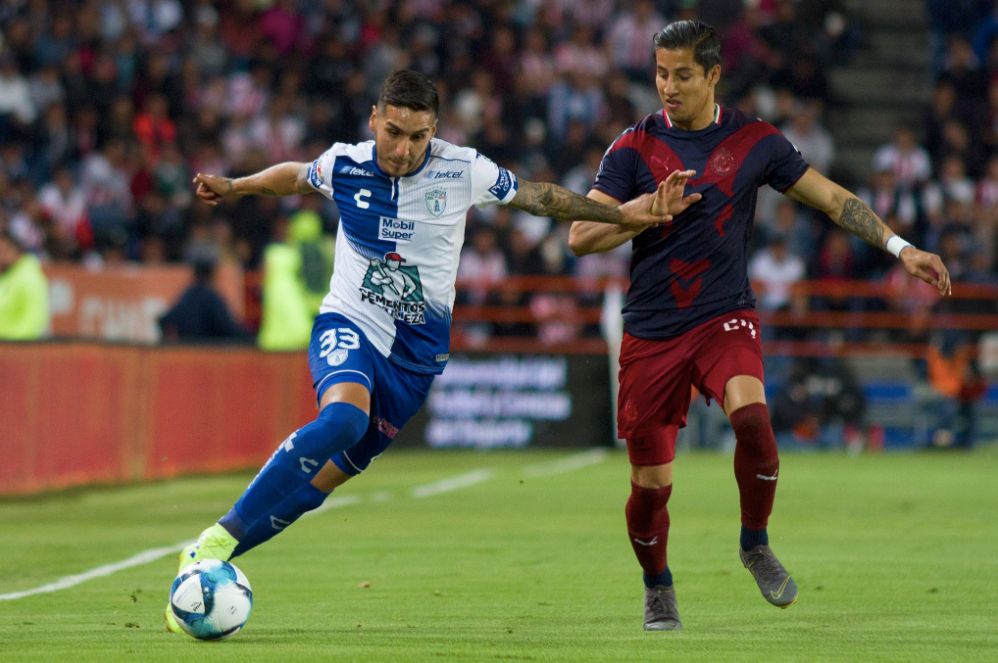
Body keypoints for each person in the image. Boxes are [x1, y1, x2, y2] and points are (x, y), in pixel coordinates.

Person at [164, 69, 675, 633]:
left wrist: (625, 214)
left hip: (415, 359)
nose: (404, 148)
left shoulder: (463, 169)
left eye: (418, 136)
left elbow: (542, 197)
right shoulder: (345, 163)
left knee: (320, 485)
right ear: (374, 121)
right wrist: (236, 186)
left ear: (435, 130)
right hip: (351, 321)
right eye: (394, 132)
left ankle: (212, 565)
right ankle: (211, 543)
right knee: (340, 421)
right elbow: (295, 178)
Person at [567, 20, 952, 631]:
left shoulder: (755, 141)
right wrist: (645, 212)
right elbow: (581, 236)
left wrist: (900, 247)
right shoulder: (632, 148)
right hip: (652, 330)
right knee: (650, 487)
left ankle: (754, 542)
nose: (669, 86)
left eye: (683, 74)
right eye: (661, 73)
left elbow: (830, 199)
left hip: (724, 315)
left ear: (714, 74)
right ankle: (658, 585)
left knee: (755, 421)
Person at [158, 256, 251, 343]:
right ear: (212, 274)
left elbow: (165, 320)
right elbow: (228, 328)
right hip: (209, 351)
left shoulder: (187, 295)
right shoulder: (211, 297)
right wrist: (250, 336)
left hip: (187, 351)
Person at [0, 230, 49, 340]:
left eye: (2, 251)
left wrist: (9, 344)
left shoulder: (29, 278)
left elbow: (33, 321)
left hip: (15, 350)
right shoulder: (6, 276)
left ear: (14, 250)